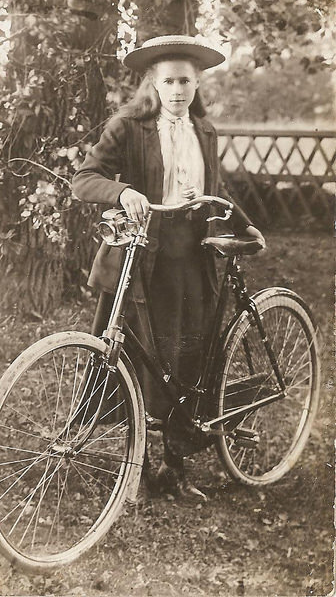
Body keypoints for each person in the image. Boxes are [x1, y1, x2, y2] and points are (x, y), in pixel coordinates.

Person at [72, 34, 265, 498]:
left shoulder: (206, 133)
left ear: (197, 85)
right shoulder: (128, 127)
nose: (178, 90)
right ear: (154, 85)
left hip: (193, 262)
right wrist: (123, 192)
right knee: (136, 364)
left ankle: (174, 470)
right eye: (169, 81)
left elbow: (219, 191)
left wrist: (246, 226)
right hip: (143, 263)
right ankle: (134, 472)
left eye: (186, 81)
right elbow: (84, 179)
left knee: (188, 365)